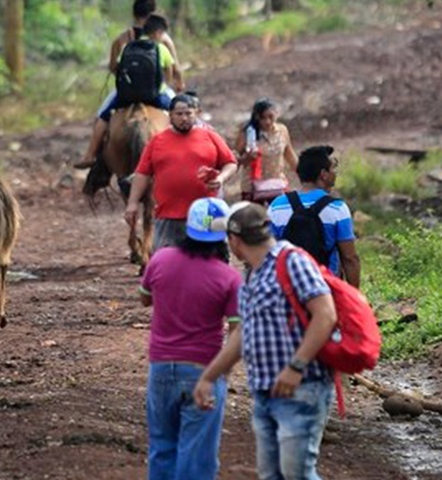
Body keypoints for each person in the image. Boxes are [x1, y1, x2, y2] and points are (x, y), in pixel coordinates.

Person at [193, 202, 337, 480]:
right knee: (272, 475)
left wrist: (296, 366)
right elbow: (243, 334)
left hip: (302, 388)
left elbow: (326, 314)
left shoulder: (292, 261)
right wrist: (208, 377)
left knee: (298, 474)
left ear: (234, 241)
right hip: (264, 392)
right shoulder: (252, 277)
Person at [140, 197, 241, 480]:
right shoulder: (229, 278)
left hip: (160, 369)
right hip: (204, 371)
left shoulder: (161, 258)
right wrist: (224, 374)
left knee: (161, 448)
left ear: (188, 228)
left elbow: (144, 298)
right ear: (226, 236)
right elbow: (237, 333)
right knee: (197, 457)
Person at [125, 94, 238, 252]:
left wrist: (221, 177)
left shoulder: (210, 136)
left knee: (210, 258)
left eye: (188, 113)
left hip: (206, 213)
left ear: (195, 114)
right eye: (179, 114)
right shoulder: (157, 141)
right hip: (168, 215)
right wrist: (132, 203)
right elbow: (142, 173)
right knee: (167, 264)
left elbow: (230, 163)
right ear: (170, 115)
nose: (184, 118)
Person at [74, 10, 180, 169]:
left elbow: (116, 67)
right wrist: (166, 85)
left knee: (103, 117)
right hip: (155, 95)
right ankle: (185, 152)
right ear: (158, 33)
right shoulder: (161, 48)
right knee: (181, 113)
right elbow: (170, 72)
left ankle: (90, 155)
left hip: (127, 95)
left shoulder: (127, 47)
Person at [267, 145, 361, 288]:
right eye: (333, 168)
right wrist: (354, 298)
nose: (335, 172)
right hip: (326, 288)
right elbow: (349, 258)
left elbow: (267, 252)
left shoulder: (276, 206)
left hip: (287, 288)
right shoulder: (337, 208)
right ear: (324, 174)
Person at [233, 98, 298, 203]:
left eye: (271, 117)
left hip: (277, 184)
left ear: (277, 114)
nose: (267, 121)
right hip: (252, 188)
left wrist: (305, 176)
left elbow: (290, 156)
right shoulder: (248, 134)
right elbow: (233, 162)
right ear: (257, 117)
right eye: (263, 118)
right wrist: (246, 158)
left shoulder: (282, 131)